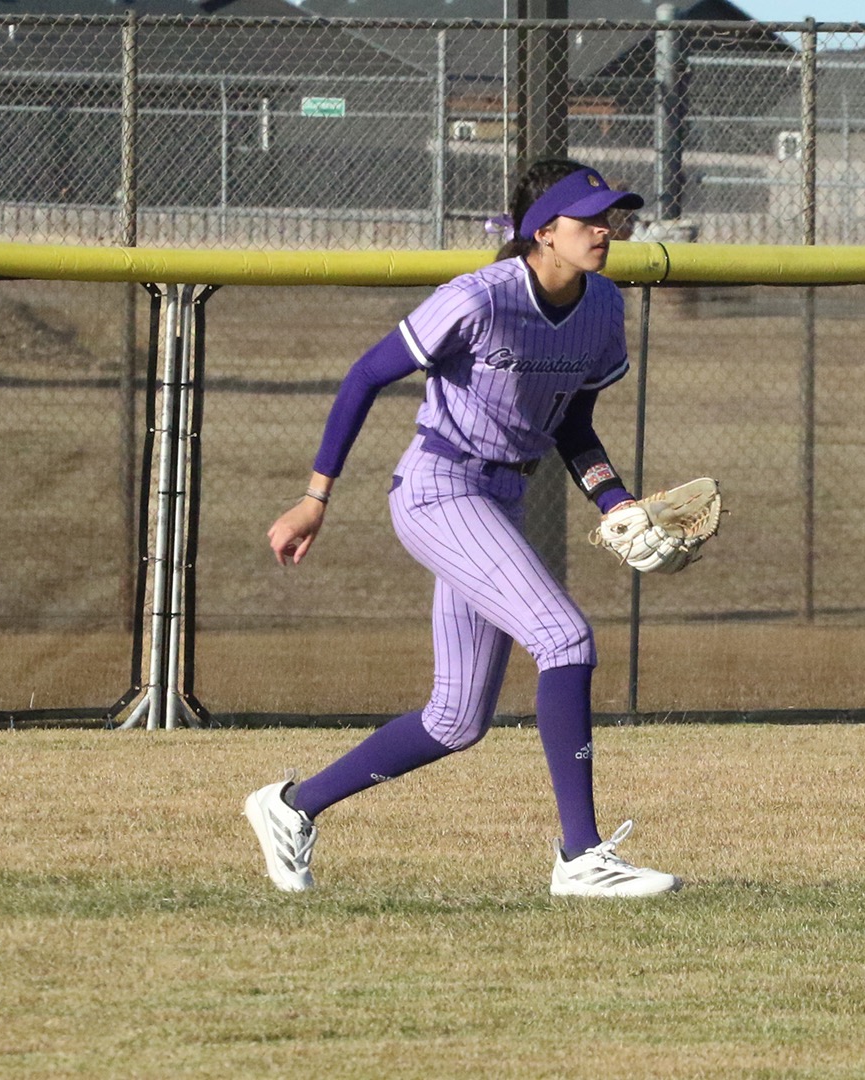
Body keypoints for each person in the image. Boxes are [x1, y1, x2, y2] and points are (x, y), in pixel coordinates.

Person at [244, 159, 679, 899]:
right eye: (591, 219)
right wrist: (316, 496)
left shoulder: (604, 307)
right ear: (544, 230)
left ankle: (290, 808)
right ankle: (580, 858)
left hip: (502, 497)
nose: (608, 230)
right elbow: (365, 375)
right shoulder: (479, 297)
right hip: (438, 487)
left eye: (614, 217)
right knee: (564, 638)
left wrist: (615, 501)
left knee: (456, 719)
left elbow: (575, 425)